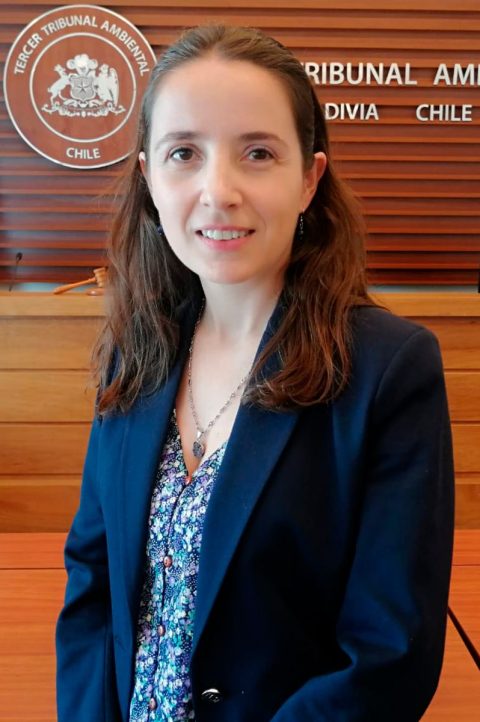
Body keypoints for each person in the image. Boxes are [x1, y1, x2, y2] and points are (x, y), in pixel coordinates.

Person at [55, 24, 454, 722]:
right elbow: (93, 582)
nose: (219, 190)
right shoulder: (136, 353)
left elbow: (389, 655)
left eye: (259, 153)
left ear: (309, 180)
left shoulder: (389, 370)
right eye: (184, 153)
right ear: (149, 179)